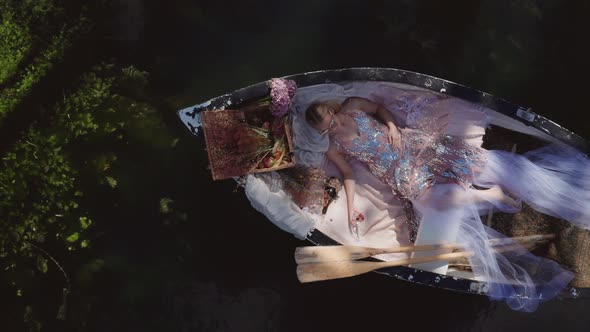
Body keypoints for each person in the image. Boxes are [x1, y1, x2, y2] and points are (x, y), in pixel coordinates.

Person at [304, 95, 588, 312]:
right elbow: (348, 173)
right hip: (394, 171)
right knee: (429, 201)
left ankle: (493, 193)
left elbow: (378, 109)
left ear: (332, 110)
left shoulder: (352, 106)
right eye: (328, 128)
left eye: (333, 119)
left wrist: (391, 125)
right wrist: (353, 206)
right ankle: (489, 196)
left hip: (409, 144)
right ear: (322, 131)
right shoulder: (334, 145)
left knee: (467, 162)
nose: (336, 126)